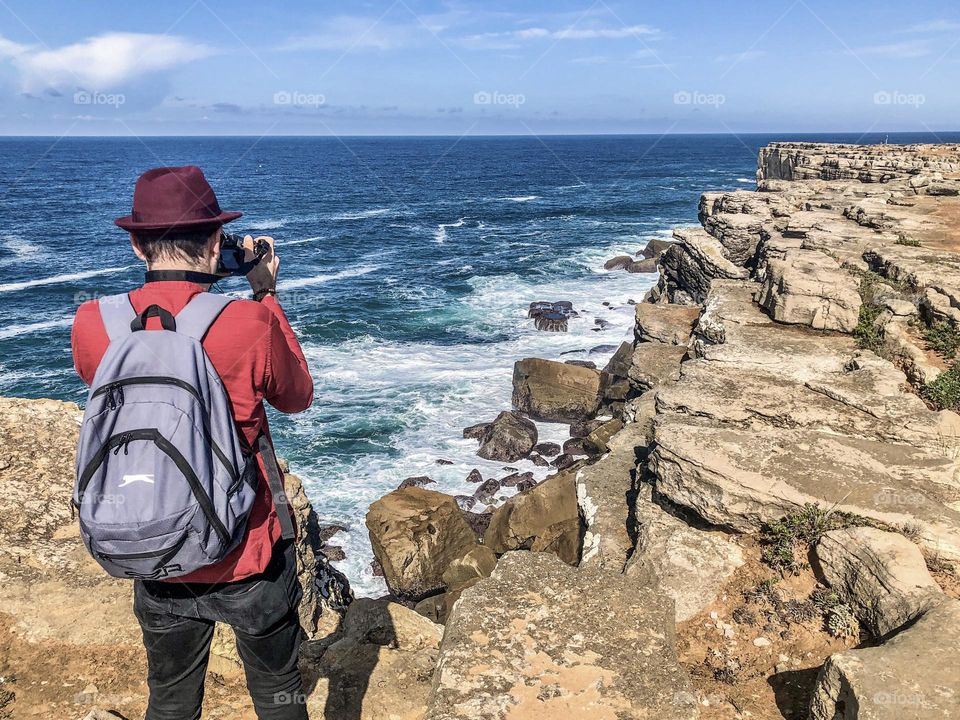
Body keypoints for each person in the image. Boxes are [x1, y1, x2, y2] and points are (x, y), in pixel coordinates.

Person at [71, 166, 314, 720]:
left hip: (152, 543)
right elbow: (297, 395)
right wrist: (264, 290)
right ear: (214, 243)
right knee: (279, 691)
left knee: (172, 698)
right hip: (247, 550)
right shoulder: (249, 321)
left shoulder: (93, 324)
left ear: (137, 245)